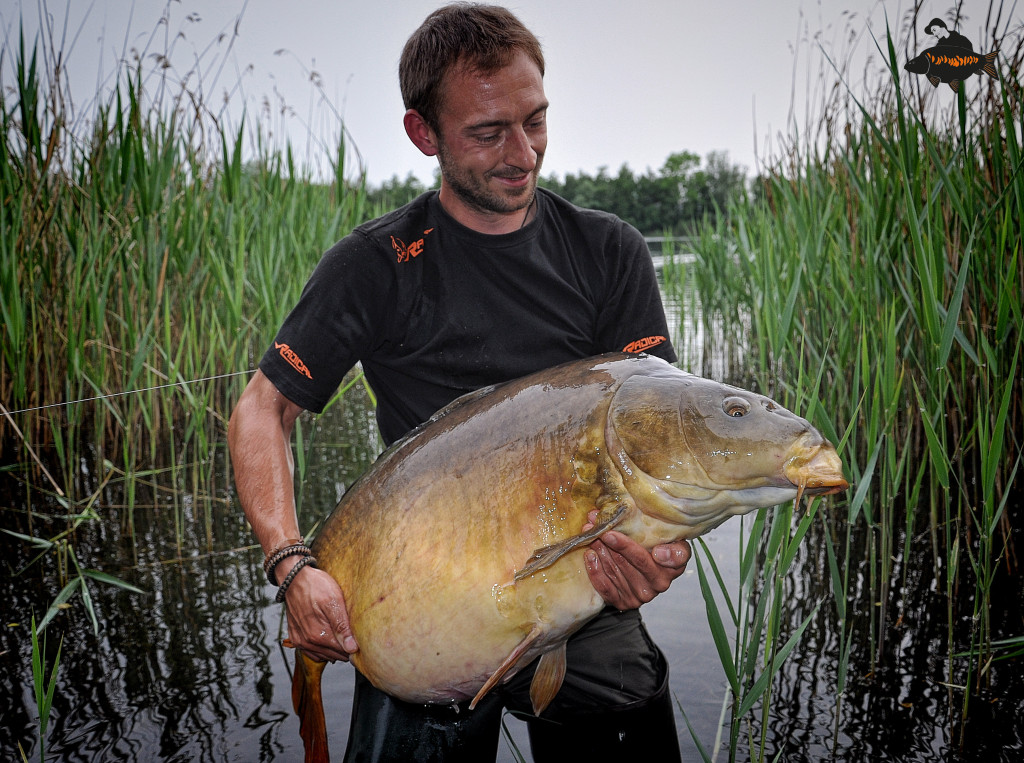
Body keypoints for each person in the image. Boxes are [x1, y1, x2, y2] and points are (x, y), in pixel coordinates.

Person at [227, 4, 691, 761]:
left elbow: (659, 433)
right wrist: (290, 563)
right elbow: (261, 408)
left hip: (578, 578)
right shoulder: (377, 263)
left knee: (628, 701)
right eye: (488, 132)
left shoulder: (609, 251)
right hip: (423, 587)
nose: (524, 153)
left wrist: (664, 551)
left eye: (535, 120)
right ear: (424, 134)